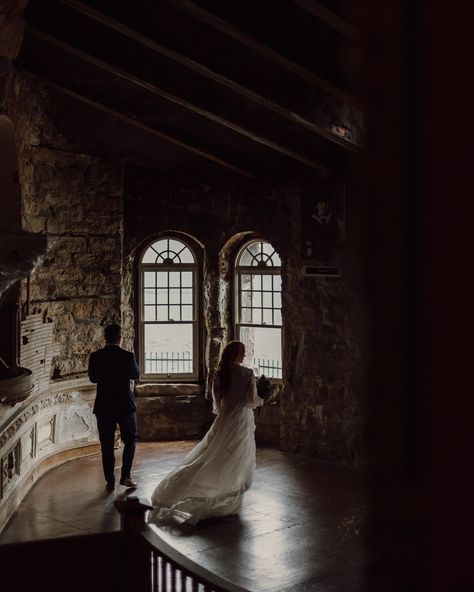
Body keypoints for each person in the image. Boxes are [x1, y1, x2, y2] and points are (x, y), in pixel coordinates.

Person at [148, 340, 263, 526]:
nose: (244, 355)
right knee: (236, 457)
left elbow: (218, 405)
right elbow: (250, 401)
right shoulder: (247, 373)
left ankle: (210, 490)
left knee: (213, 453)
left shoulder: (220, 373)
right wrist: (262, 398)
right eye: (242, 352)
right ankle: (225, 493)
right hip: (241, 421)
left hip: (225, 420)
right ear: (236, 354)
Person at [88, 323, 140, 491]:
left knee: (107, 445)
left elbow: (93, 379)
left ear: (105, 338)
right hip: (125, 405)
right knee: (130, 441)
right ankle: (125, 476)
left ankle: (110, 480)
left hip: (104, 406)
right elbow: (135, 375)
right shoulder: (128, 356)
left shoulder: (95, 356)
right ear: (120, 338)